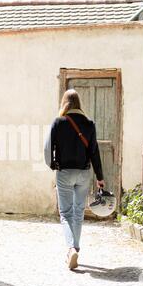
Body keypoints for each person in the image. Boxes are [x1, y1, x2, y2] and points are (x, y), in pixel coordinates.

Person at [44, 89, 105, 270]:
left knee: (66, 213)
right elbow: (94, 152)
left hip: (64, 173)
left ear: (64, 103)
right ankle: (75, 247)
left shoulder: (58, 122)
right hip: (84, 173)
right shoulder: (89, 124)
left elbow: (48, 148)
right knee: (79, 212)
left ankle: (71, 248)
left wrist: (52, 164)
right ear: (79, 103)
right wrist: (100, 177)